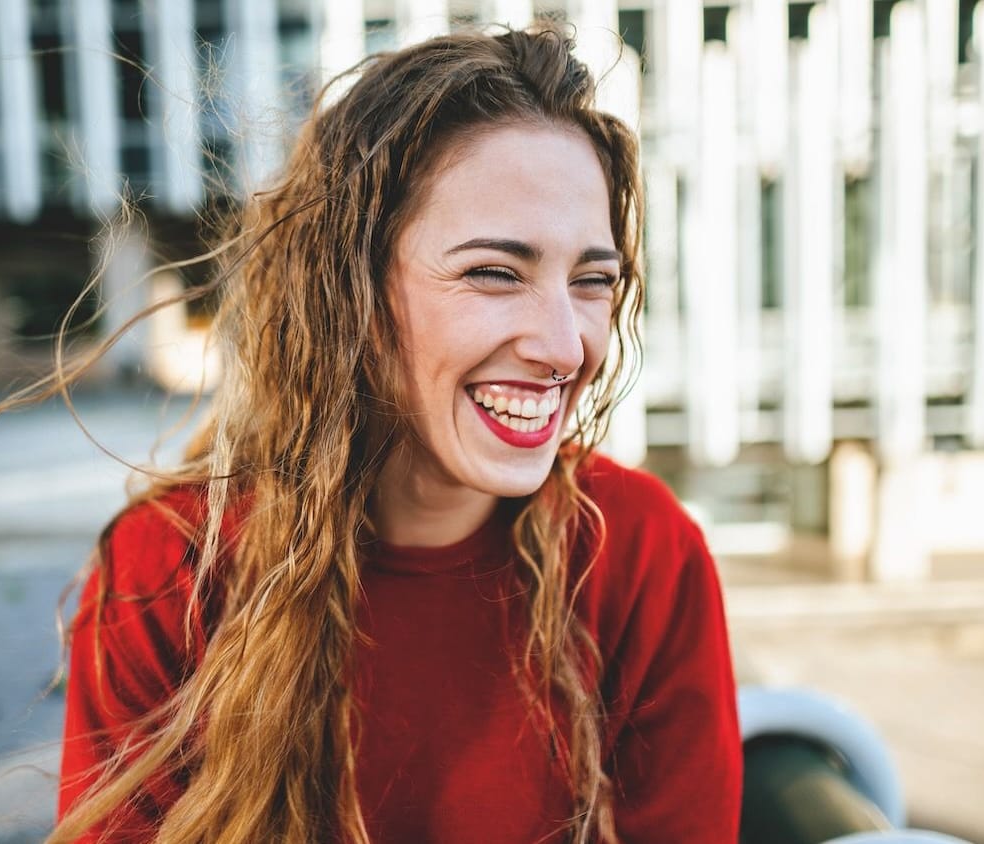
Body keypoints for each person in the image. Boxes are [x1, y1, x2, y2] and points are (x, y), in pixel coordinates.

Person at [50, 26, 741, 844]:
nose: (565, 346)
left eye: (593, 281)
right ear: (350, 292)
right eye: (494, 272)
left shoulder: (639, 551)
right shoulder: (169, 570)